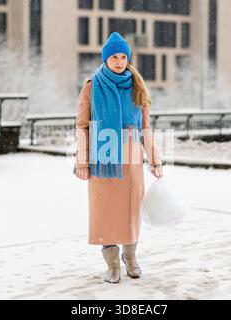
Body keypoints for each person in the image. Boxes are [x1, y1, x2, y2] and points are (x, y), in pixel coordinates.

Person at [74, 32, 163, 284]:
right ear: (106, 58)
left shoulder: (137, 85)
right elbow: (82, 126)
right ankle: (112, 264)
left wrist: (155, 161)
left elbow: (146, 127)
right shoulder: (92, 85)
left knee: (131, 212)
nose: (120, 61)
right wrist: (82, 161)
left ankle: (131, 258)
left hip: (132, 159)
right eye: (114, 56)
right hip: (103, 159)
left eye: (124, 56)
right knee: (106, 213)